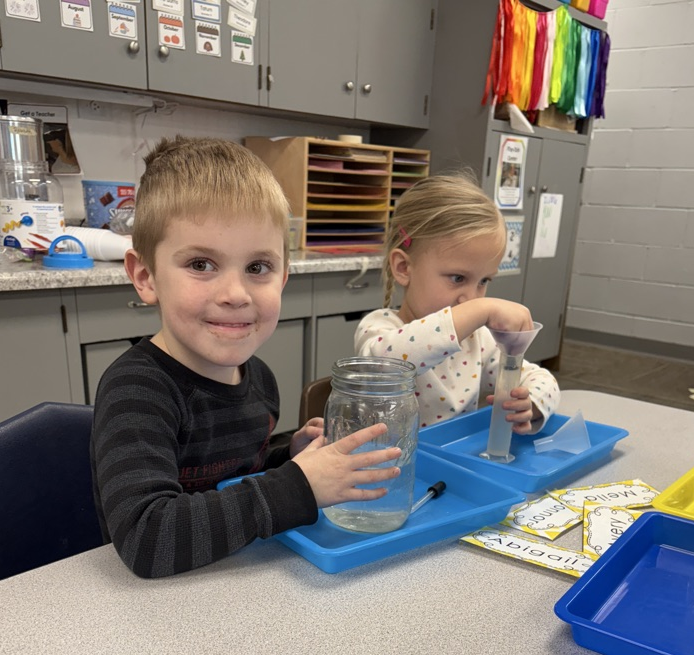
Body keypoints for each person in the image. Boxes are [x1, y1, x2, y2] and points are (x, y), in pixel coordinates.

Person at [90, 136, 401, 578]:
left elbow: (235, 481)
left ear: (283, 277)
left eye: (258, 267)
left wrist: (287, 460)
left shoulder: (259, 378)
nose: (235, 295)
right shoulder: (137, 390)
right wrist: (299, 485)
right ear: (145, 276)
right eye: (201, 264)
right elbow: (146, 538)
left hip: (238, 584)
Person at [355, 172, 560, 430]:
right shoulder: (379, 329)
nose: (472, 298)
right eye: (457, 278)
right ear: (404, 267)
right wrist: (481, 309)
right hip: (391, 466)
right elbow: (389, 366)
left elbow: (539, 377)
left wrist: (532, 403)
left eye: (484, 281)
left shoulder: (477, 341)